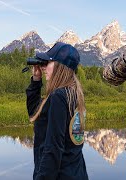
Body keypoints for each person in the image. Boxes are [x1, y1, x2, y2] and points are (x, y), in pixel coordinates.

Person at [26, 42, 88, 180]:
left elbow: (53, 149)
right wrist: (36, 81)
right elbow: (35, 114)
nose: (43, 67)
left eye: (47, 63)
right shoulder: (74, 94)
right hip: (76, 173)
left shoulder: (58, 97)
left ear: (59, 66)